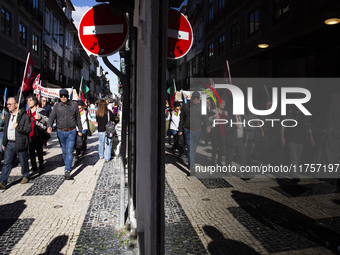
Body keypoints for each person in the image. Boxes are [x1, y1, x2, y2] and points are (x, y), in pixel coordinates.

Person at [46, 89, 82, 180]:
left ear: (67, 97)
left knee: (69, 150)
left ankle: (67, 170)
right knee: (64, 150)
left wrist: (80, 130)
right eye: (61, 96)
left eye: (64, 96)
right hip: (60, 131)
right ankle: (68, 164)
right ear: (59, 97)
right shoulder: (57, 106)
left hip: (71, 131)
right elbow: (51, 117)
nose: (63, 98)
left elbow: (78, 119)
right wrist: (49, 126)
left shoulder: (74, 106)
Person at [0, 97, 32, 189]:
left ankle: (25, 175)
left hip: (20, 142)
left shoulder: (24, 116)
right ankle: (3, 181)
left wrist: (18, 127)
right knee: (7, 163)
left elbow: (28, 129)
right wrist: (4, 143)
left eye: (10, 104)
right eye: (7, 104)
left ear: (16, 104)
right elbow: (5, 130)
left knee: (23, 161)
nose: (8, 106)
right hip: (9, 143)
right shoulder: (7, 116)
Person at [178, 91, 210, 171]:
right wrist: (180, 129)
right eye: (194, 98)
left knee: (194, 148)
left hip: (197, 130)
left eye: (197, 98)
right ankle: (192, 166)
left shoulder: (201, 107)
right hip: (187, 130)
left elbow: (205, 117)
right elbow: (181, 119)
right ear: (192, 98)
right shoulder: (185, 107)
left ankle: (190, 162)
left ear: (198, 99)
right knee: (190, 147)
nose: (196, 99)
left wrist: (208, 126)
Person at [26, 95, 48, 172]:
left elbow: (47, 120)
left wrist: (40, 118)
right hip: (29, 133)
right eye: (28, 101)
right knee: (31, 150)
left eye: (30, 100)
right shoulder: (27, 111)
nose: (29, 102)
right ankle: (33, 165)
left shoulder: (40, 110)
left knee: (39, 150)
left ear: (35, 101)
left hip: (38, 132)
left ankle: (41, 164)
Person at [0, 102, 8, 168]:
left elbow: (10, 122)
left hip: (1, 132)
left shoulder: (3, 112)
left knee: (0, 149)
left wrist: (5, 120)